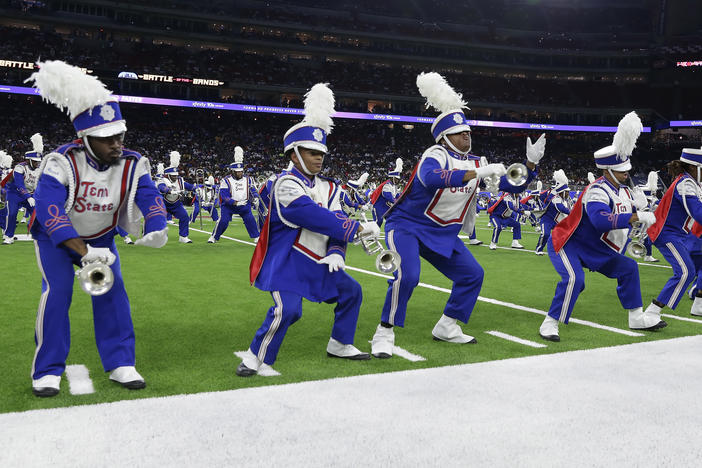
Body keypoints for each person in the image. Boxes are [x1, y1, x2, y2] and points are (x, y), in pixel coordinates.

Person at [369, 72, 543, 358]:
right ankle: (384, 331)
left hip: (442, 232)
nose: (466, 135)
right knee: (408, 276)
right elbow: (431, 178)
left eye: (468, 132)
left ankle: (448, 325)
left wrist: (530, 164)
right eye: (459, 132)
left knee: (472, 274)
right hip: (408, 226)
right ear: (443, 137)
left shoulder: (477, 161)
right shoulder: (435, 153)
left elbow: (512, 185)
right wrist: (477, 172)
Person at [25, 60, 168, 397]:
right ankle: (47, 371)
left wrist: (158, 224)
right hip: (58, 242)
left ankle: (121, 363)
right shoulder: (60, 163)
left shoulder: (133, 162)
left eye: (119, 135)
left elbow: (149, 196)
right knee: (58, 293)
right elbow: (50, 214)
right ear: (85, 138)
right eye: (106, 139)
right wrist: (84, 252)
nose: (116, 144)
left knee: (112, 294)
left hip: (102, 238)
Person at [240, 83, 377, 376]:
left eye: (321, 153)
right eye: (310, 152)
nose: (318, 158)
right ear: (294, 154)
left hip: (318, 261)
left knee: (352, 291)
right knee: (288, 311)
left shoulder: (330, 187)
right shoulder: (285, 184)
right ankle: (255, 356)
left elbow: (335, 218)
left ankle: (340, 343)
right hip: (287, 261)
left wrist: (338, 251)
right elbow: (312, 215)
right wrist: (358, 229)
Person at [539, 112, 662, 342]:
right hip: (569, 244)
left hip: (596, 249)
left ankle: (636, 317)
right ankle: (550, 322)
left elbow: (624, 218)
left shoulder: (623, 190)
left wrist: (644, 208)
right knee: (575, 280)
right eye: (622, 170)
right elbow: (600, 221)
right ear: (607, 171)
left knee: (629, 268)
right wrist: (636, 216)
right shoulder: (596, 190)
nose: (627, 173)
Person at [644, 149, 702, 318]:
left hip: (680, 234)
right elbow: (698, 213)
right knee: (685, 272)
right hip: (667, 233)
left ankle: (698, 303)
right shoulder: (686, 184)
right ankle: (653, 312)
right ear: (693, 168)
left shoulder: (691, 182)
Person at [208, 146, 260, 243]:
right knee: (223, 221)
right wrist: (235, 203)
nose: (240, 173)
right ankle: (214, 237)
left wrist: (256, 198)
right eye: (237, 172)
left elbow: (253, 190)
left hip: (244, 204)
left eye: (241, 171)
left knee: (250, 219)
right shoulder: (225, 180)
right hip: (229, 206)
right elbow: (224, 196)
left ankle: (256, 236)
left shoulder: (249, 179)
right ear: (232, 171)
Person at [3, 133, 43, 244]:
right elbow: (19, 184)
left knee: (38, 213)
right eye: (35, 161)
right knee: (12, 214)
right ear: (29, 160)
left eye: (38, 161)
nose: (37, 163)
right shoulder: (20, 167)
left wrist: (35, 195)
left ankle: (39, 234)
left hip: (30, 194)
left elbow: (40, 183)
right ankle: (8, 236)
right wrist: (27, 196)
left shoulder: (39, 169)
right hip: (15, 194)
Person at [156, 151, 195, 243]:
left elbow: (190, 186)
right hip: (162, 203)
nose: (175, 177)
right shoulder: (162, 180)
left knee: (185, 217)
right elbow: (162, 188)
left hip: (175, 204)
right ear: (168, 175)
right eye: (173, 176)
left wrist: (198, 188)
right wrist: (170, 191)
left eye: (176, 175)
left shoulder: (180, 180)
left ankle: (183, 237)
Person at [534, 170, 571, 255]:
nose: (568, 193)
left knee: (564, 234)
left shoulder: (564, 199)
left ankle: (559, 249)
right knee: (545, 234)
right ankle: (538, 249)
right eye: (567, 192)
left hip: (556, 220)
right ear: (563, 192)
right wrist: (571, 213)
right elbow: (561, 208)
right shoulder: (556, 198)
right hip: (547, 219)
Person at [370, 158, 402, 227]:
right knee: (378, 222)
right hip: (378, 207)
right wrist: (397, 202)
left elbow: (397, 196)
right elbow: (388, 196)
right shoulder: (387, 185)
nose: (397, 181)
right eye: (396, 179)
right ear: (392, 177)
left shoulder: (394, 186)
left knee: (393, 220)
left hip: (386, 207)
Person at [0, 150, 14, 234]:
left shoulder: (8, 171)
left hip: (4, 193)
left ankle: (5, 230)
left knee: (4, 212)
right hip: (4, 192)